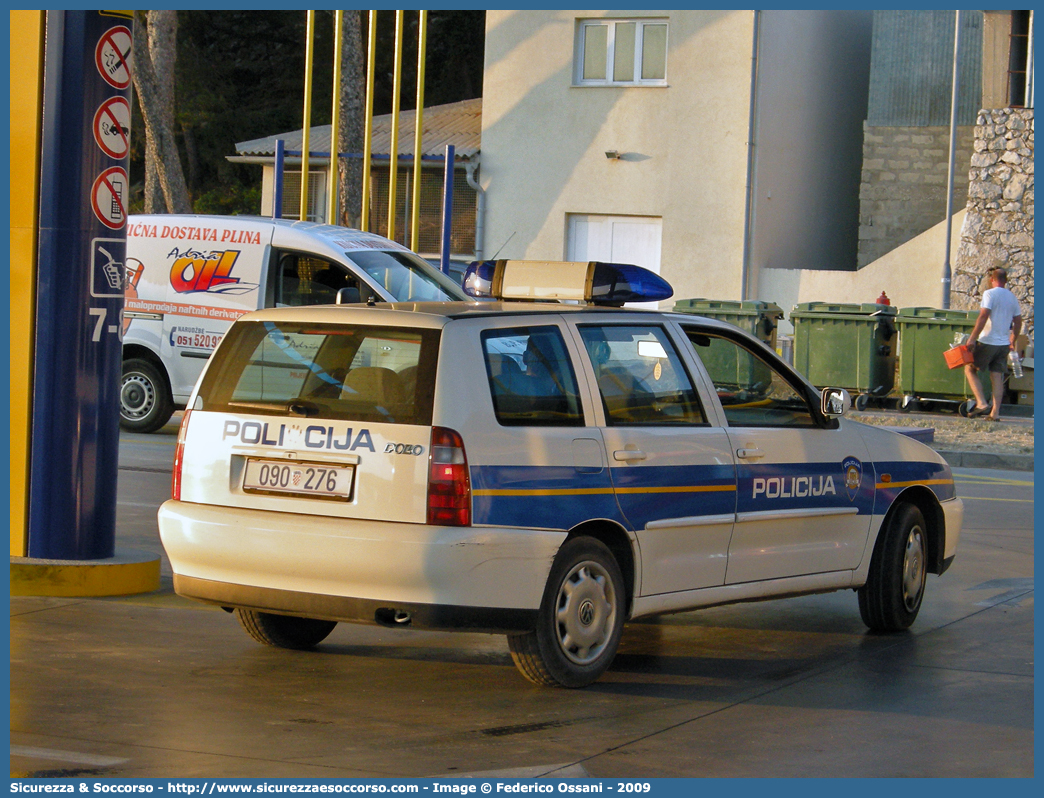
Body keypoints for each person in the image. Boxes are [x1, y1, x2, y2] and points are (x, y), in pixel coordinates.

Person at [964, 267, 1022, 420]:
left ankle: (982, 403)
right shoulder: (1012, 297)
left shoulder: (989, 294)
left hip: (988, 340)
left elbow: (983, 315)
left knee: (970, 369)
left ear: (992, 280)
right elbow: (1018, 321)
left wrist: (972, 338)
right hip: (1003, 344)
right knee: (997, 376)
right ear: (1006, 281)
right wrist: (1012, 339)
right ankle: (994, 413)